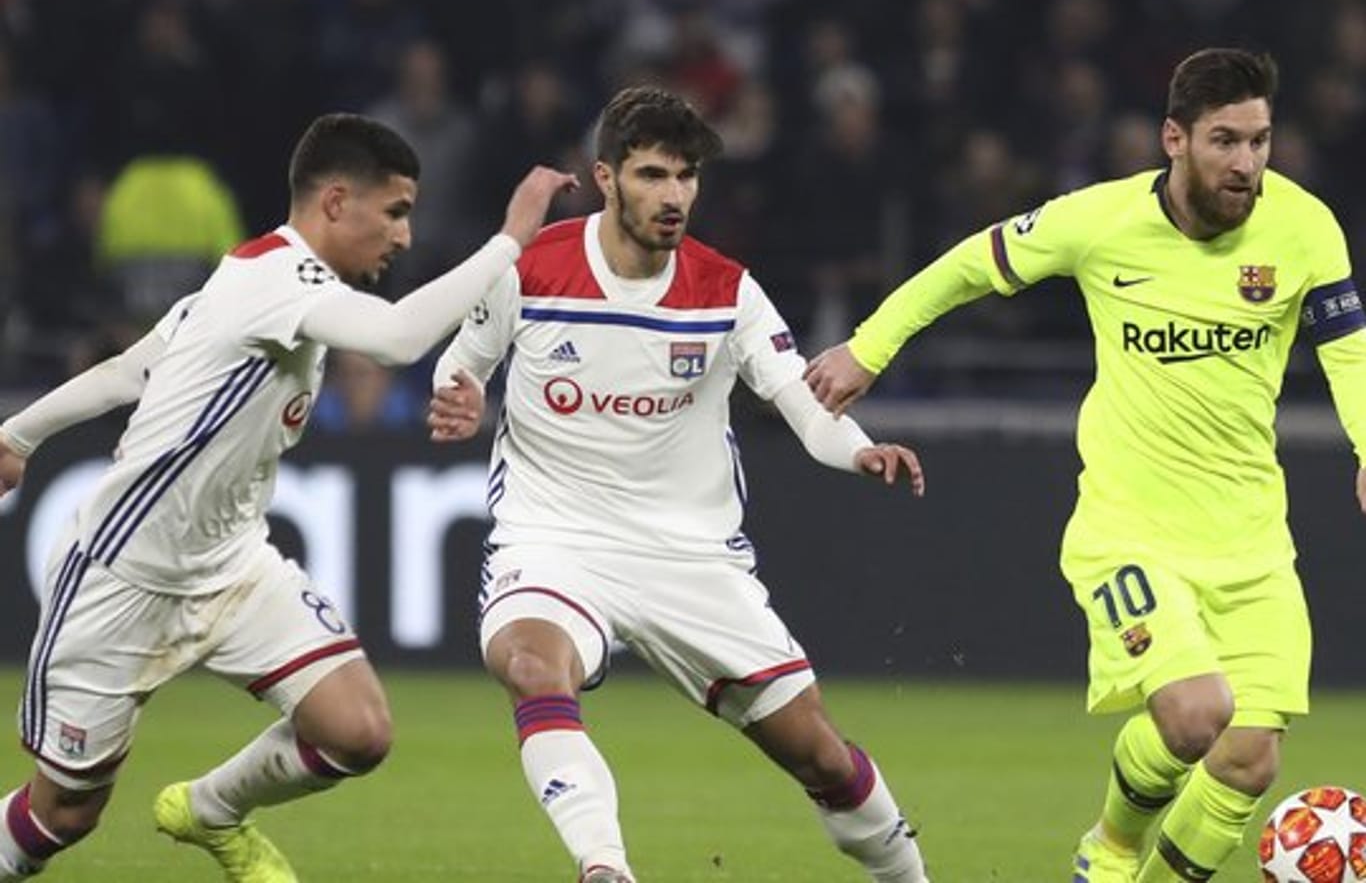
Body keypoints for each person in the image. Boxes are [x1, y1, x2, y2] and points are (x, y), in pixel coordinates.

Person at [803, 48, 1366, 882]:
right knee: (1194, 715)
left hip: (1252, 537)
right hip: (1129, 528)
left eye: (1260, 140)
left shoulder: (1305, 226)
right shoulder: (1098, 222)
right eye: (1225, 141)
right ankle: (1110, 850)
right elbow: (969, 265)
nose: (1247, 163)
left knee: (1250, 759)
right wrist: (870, 347)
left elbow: (1348, 350)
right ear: (1173, 138)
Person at [0, 112, 574, 882]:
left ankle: (208, 809)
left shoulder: (250, 275)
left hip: (232, 566)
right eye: (396, 211)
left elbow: (131, 372)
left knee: (358, 730)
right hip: (122, 579)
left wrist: (16, 436)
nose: (404, 236)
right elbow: (399, 337)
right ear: (337, 202)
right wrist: (512, 238)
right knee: (60, 816)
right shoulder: (278, 281)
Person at [426, 85, 932, 883]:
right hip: (555, 536)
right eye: (654, 175)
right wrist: (457, 394)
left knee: (820, 754)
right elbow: (464, 363)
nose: (674, 197)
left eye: (686, 177)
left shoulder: (725, 289)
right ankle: (605, 868)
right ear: (605, 177)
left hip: (689, 553)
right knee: (531, 663)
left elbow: (801, 399)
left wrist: (859, 450)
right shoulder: (531, 268)